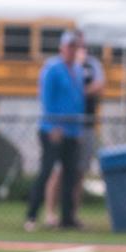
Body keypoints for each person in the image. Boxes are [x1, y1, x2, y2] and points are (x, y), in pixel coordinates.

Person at [24, 31, 85, 231]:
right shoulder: (52, 69)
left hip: (72, 131)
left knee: (70, 175)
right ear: (62, 48)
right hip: (54, 130)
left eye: (74, 47)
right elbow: (47, 99)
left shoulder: (76, 69)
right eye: (69, 46)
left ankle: (67, 218)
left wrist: (78, 129)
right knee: (47, 171)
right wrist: (54, 125)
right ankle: (32, 215)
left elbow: (78, 100)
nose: (71, 50)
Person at [43, 31, 105, 226]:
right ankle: (50, 212)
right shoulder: (58, 67)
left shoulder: (90, 65)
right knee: (57, 172)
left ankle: (71, 214)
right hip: (61, 127)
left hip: (81, 126)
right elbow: (51, 97)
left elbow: (99, 86)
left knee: (77, 173)